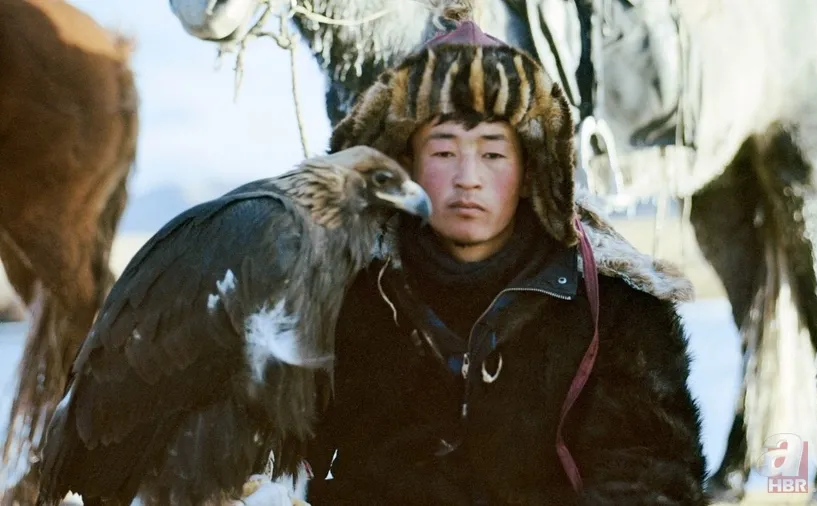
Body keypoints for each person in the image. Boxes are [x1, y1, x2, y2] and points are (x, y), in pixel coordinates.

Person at [253, 6, 708, 505]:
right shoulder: (343, 296)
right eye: (444, 152)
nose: (468, 177)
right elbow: (266, 457)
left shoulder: (615, 306)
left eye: (492, 153)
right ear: (405, 164)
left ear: (531, 168)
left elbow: (651, 475)